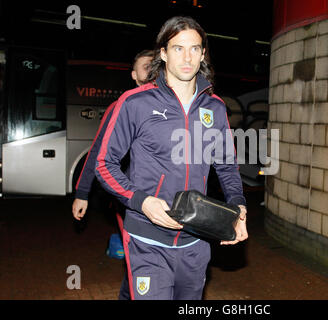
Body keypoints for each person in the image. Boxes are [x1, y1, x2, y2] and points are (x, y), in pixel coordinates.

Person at [95, 16, 248, 300]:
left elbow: (227, 167)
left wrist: (238, 207)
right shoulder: (135, 102)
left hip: (197, 239)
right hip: (146, 239)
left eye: (194, 48)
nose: (187, 57)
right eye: (178, 48)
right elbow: (104, 164)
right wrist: (143, 201)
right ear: (163, 53)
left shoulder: (214, 108)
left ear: (203, 54)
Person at [72, 49, 155, 300]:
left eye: (155, 65)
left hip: (165, 199)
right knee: (139, 262)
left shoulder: (173, 106)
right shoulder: (122, 106)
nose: (151, 70)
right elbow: (97, 152)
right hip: (129, 200)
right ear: (133, 75)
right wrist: (82, 193)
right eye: (145, 66)